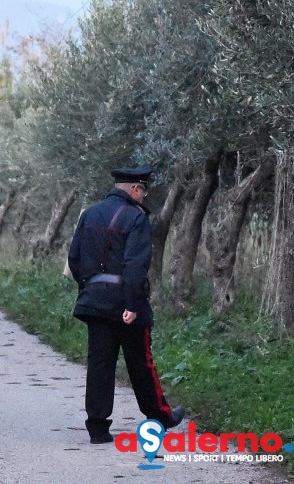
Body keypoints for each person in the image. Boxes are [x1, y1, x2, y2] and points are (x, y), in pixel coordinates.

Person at [67, 164, 184, 444]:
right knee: (141, 363)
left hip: (94, 302)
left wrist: (90, 289)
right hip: (126, 302)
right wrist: (132, 304)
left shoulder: (90, 214)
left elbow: (74, 258)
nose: (143, 197)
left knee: (100, 364)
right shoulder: (136, 217)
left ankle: (98, 428)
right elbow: (135, 265)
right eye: (142, 190)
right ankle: (159, 417)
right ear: (135, 188)